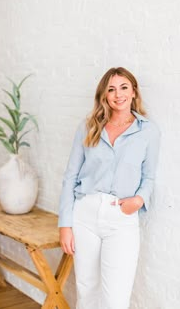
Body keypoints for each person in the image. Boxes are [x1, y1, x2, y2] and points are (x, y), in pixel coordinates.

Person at [58, 67, 161, 309]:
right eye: (111, 89)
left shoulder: (148, 131)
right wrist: (65, 224)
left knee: (116, 298)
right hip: (85, 215)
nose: (118, 94)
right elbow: (70, 176)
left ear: (133, 92)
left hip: (121, 217)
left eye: (124, 87)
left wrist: (138, 200)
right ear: (104, 95)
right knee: (87, 292)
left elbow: (149, 177)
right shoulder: (88, 127)